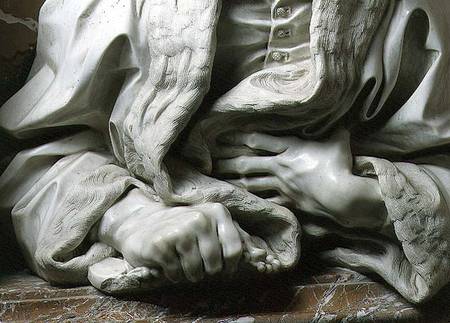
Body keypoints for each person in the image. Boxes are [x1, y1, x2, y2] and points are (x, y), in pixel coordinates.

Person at [0, 0, 449, 304]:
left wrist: (360, 199)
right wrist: (129, 216)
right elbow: (36, 157)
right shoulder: (105, 10)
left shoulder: (405, 16)